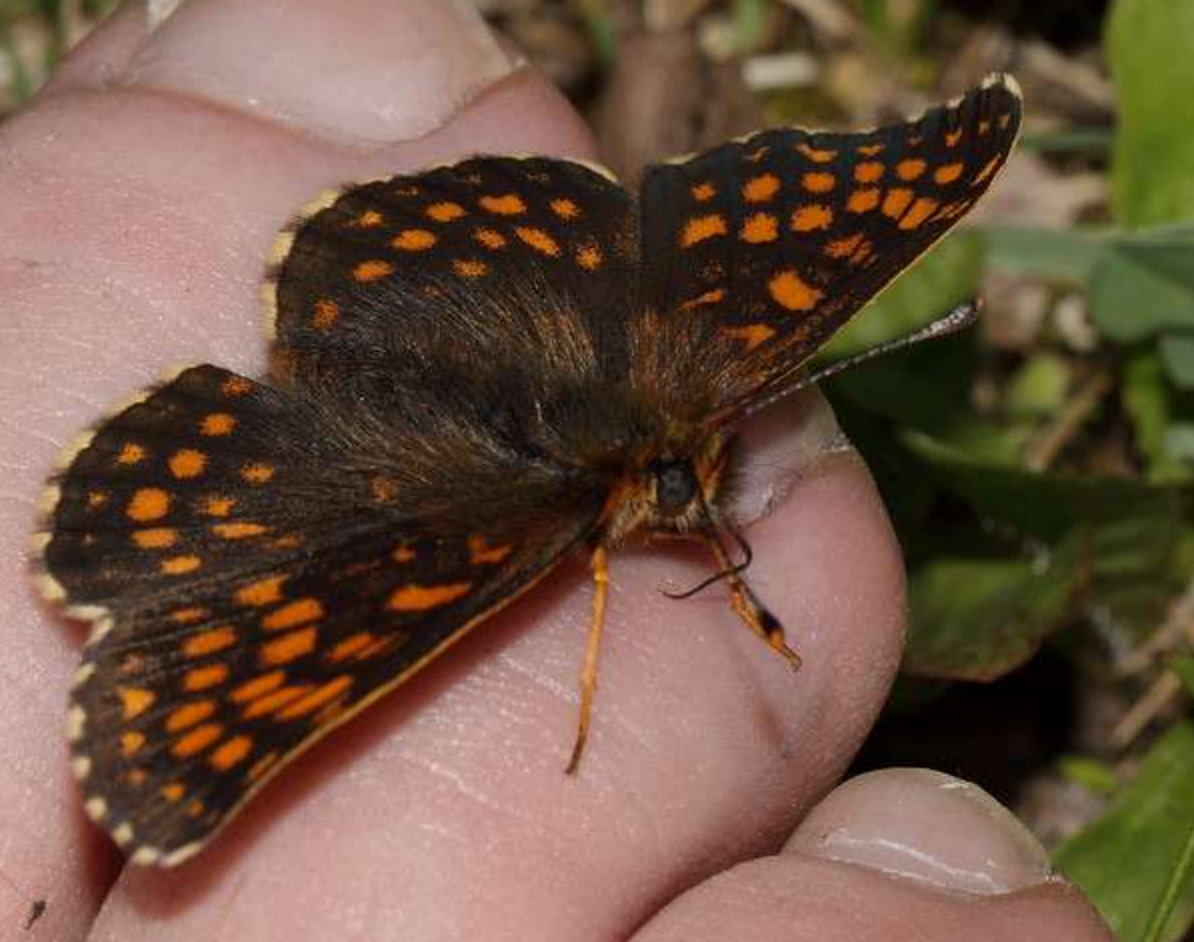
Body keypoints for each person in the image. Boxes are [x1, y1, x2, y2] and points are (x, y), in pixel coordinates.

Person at [0, 0, 1115, 937]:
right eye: (686, 490)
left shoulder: (638, 425)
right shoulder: (618, 465)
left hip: (460, 289)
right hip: (485, 322)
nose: (706, 493)